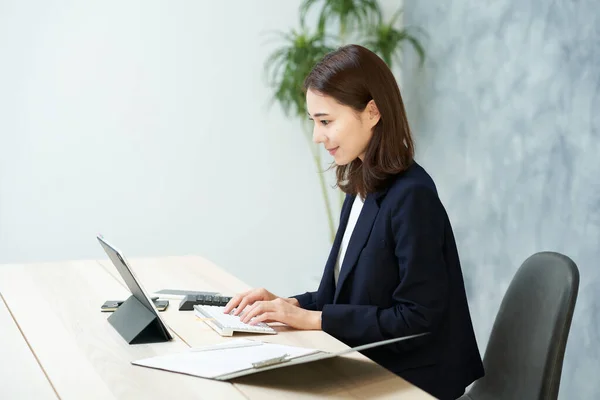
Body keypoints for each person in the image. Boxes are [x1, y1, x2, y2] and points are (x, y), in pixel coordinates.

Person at [223, 44, 484, 399]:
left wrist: (314, 319)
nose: (318, 136)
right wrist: (289, 306)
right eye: (314, 122)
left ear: (372, 112)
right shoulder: (362, 185)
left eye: (326, 121)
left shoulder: (412, 196)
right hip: (371, 366)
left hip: (415, 382)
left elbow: (417, 319)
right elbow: (340, 297)